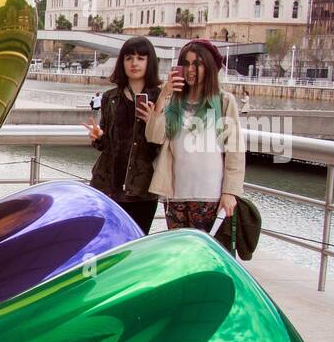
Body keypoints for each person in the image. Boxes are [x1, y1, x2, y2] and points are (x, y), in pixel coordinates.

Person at [145, 39, 245, 232]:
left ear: (209, 67)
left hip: (211, 195)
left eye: (197, 64)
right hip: (175, 194)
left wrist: (230, 192)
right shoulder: (172, 100)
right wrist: (164, 94)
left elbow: (235, 150)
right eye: (186, 64)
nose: (190, 69)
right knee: (179, 256)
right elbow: (154, 136)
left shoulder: (224, 101)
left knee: (204, 257)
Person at [83, 36, 162, 233]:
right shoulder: (110, 97)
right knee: (106, 241)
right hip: (107, 185)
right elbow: (107, 145)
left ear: (149, 62)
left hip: (142, 189)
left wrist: (153, 122)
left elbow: (160, 147)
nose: (134, 63)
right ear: (122, 63)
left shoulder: (160, 97)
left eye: (140, 58)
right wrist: (98, 136)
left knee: (136, 243)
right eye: (129, 58)